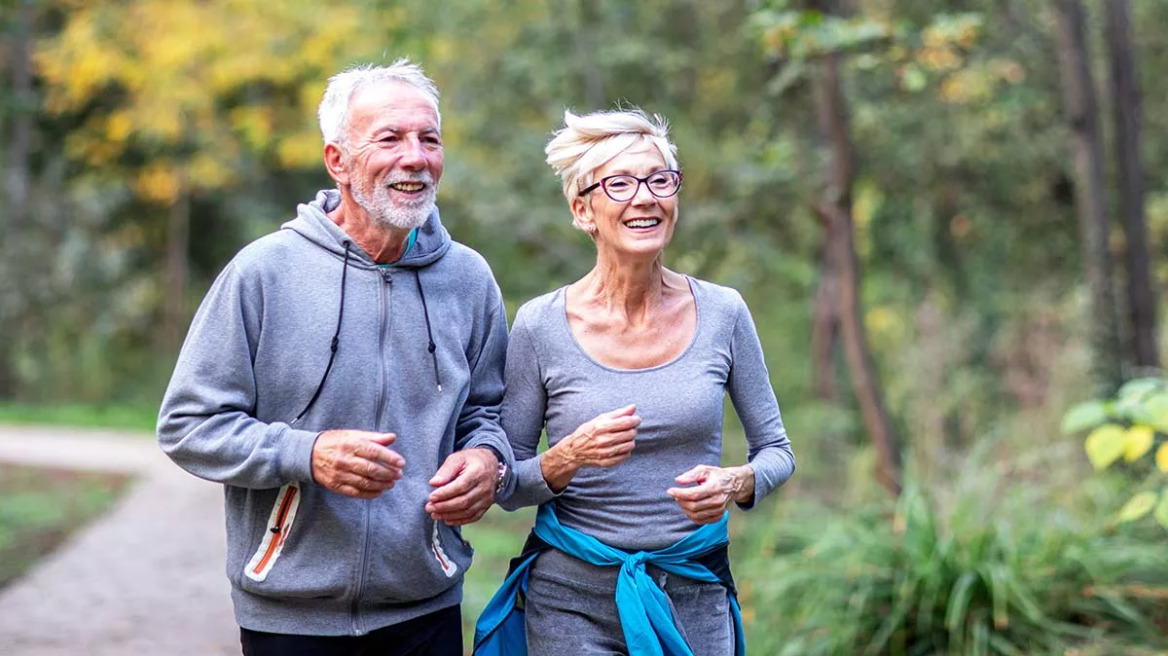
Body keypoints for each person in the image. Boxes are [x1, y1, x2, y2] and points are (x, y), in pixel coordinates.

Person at [157, 60, 515, 656]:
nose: (415, 158)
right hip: (289, 618)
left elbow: (488, 412)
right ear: (338, 162)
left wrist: (487, 459)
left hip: (426, 607)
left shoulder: (468, 278)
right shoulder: (263, 273)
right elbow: (188, 425)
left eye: (429, 139)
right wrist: (307, 453)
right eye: (390, 138)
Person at [473, 108, 796, 656]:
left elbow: (777, 452)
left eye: (659, 180)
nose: (644, 198)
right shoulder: (539, 325)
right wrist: (568, 456)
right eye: (619, 184)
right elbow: (507, 485)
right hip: (571, 601)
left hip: (693, 589)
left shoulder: (723, 312)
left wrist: (735, 482)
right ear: (583, 211)